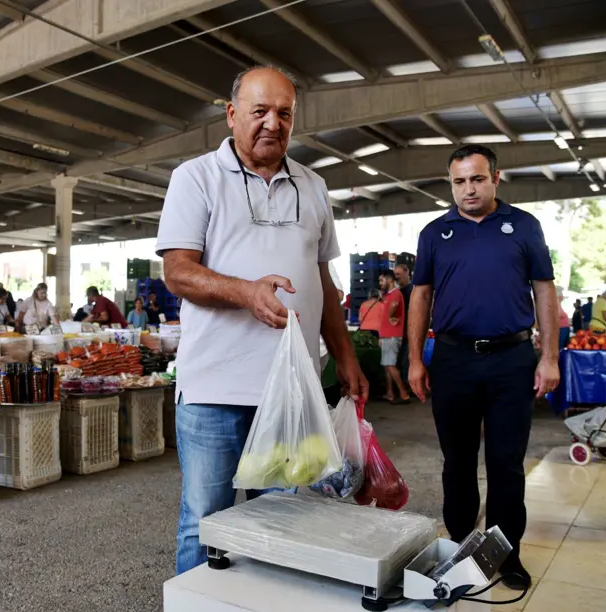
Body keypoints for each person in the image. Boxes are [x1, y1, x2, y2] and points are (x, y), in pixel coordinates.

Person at [156, 65, 368, 575]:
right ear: (231, 116)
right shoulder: (196, 178)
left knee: (283, 521)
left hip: (292, 391)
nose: (272, 123)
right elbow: (177, 272)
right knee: (207, 519)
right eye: (259, 111)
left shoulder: (313, 187)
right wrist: (246, 293)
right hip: (215, 389)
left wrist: (345, 357)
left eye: (284, 113)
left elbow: (324, 282)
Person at [408, 144, 559, 591]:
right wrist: (416, 359)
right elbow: (420, 295)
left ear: (496, 177)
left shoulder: (524, 227)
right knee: (456, 462)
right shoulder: (436, 232)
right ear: (450, 183)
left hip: (511, 360)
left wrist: (548, 356)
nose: (468, 189)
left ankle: (505, 554)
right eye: (459, 181)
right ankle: (458, 547)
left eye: (476, 179)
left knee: (506, 463)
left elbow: (544, 292)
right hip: (452, 359)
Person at [379, 270, 410, 404]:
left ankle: (404, 394)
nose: (380, 283)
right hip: (387, 335)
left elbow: (395, 305)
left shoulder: (396, 294)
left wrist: (391, 315)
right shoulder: (388, 295)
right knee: (387, 365)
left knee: (390, 364)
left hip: (392, 335)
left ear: (390, 280)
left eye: (382, 280)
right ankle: (390, 393)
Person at [394, 263, 413, 390]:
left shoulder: (413, 291)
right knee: (403, 361)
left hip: (410, 332)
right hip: (400, 333)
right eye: (395, 275)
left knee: (408, 361)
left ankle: (410, 388)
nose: (396, 277)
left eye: (398, 274)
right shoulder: (398, 292)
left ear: (407, 273)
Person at [557, 286, 571, 351]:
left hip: (563, 328)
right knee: (560, 347)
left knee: (562, 346)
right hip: (561, 328)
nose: (563, 296)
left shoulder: (558, 303)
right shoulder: (556, 303)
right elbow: (558, 315)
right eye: (561, 294)